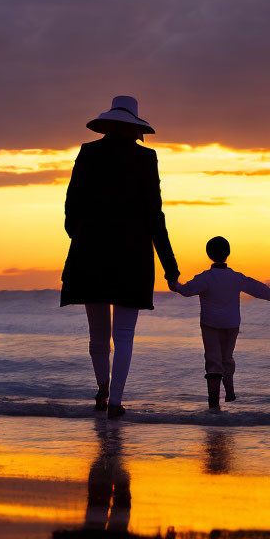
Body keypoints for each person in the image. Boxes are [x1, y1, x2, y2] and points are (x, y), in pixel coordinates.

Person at [61, 95, 180, 419]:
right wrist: (170, 267)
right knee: (124, 336)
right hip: (133, 257)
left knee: (98, 335)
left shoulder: (88, 152)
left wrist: (81, 236)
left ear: (108, 124)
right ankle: (115, 402)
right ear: (135, 128)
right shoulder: (146, 159)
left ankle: (102, 389)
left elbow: (71, 206)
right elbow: (155, 215)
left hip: (90, 254)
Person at [168, 236, 270, 409]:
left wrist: (174, 284)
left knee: (213, 361)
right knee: (227, 358)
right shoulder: (236, 277)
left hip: (210, 324)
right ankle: (230, 391)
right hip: (231, 324)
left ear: (208, 254)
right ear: (228, 254)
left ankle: (213, 406)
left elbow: (186, 290)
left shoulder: (205, 277)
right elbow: (258, 290)